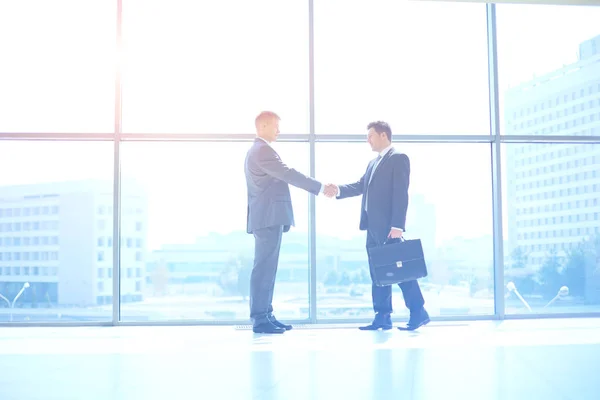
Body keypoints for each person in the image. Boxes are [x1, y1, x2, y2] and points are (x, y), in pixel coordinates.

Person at [324, 121, 429, 331]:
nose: (367, 140)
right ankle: (382, 316)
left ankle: (418, 312)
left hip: (389, 227)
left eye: (370, 135)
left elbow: (401, 193)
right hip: (372, 227)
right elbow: (360, 185)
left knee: (399, 271)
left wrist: (398, 225)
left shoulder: (398, 158)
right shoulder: (373, 163)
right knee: (378, 272)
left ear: (383, 135)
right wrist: (338, 190)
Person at [245, 111, 325, 334]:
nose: (279, 131)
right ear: (263, 126)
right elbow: (287, 173)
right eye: (276, 126)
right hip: (267, 217)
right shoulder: (262, 150)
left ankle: (266, 314)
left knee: (268, 269)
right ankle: (260, 318)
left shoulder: (260, 150)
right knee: (264, 269)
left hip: (268, 217)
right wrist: (318, 187)